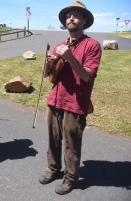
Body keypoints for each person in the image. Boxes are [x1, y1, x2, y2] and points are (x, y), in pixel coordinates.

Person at [38, 1, 102, 195]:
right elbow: (46, 76)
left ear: (84, 20)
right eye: (68, 15)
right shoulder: (60, 45)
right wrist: (48, 63)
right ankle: (53, 169)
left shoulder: (92, 45)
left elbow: (87, 75)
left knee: (71, 143)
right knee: (52, 139)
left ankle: (71, 177)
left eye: (75, 15)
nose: (70, 18)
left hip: (75, 102)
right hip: (54, 99)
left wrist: (69, 57)